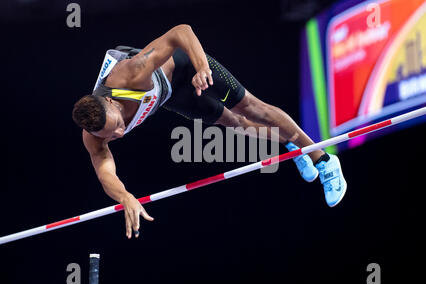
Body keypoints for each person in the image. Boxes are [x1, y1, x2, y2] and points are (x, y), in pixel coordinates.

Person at [72, 24, 347, 239]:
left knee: (252, 109)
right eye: (111, 135)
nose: (120, 132)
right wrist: (126, 197)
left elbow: (181, 31)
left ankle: (322, 159)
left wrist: (202, 67)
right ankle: (292, 145)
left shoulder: (131, 74)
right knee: (236, 126)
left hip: (185, 65)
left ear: (110, 100)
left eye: (118, 123)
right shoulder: (94, 135)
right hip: (170, 95)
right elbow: (105, 171)